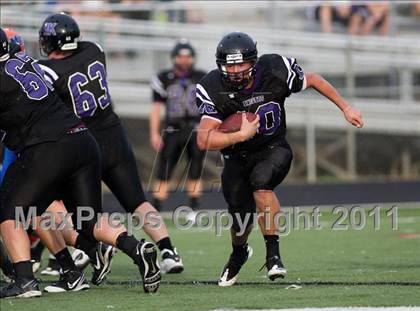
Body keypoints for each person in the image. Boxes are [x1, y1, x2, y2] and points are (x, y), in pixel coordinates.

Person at [0, 27, 160, 298]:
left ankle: (25, 280)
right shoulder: (26, 63)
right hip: (83, 139)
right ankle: (136, 249)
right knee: (85, 219)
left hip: (47, 147)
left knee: (8, 210)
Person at [195, 32, 364, 286]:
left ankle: (273, 255)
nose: (236, 71)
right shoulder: (212, 86)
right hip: (235, 157)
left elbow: (314, 80)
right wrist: (240, 135)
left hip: (273, 147)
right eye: (230, 65)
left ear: (254, 62)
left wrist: (345, 107)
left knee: (262, 184)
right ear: (221, 66)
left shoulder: (275, 69)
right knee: (240, 218)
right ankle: (239, 253)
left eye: (241, 64)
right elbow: (203, 140)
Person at [37, 12, 183, 274]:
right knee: (137, 201)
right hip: (114, 134)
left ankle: (91, 249)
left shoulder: (47, 70)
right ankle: (168, 250)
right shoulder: (95, 50)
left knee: (79, 210)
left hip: (83, 143)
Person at [150, 40, 206, 218]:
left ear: (193, 58)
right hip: (173, 130)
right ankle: (155, 210)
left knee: (196, 169)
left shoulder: (202, 77)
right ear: (174, 58)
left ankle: (194, 209)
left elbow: (209, 107)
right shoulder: (164, 77)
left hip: (196, 129)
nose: (184, 60)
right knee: (164, 171)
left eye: (187, 56)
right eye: (181, 56)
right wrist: (154, 133)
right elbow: (156, 108)